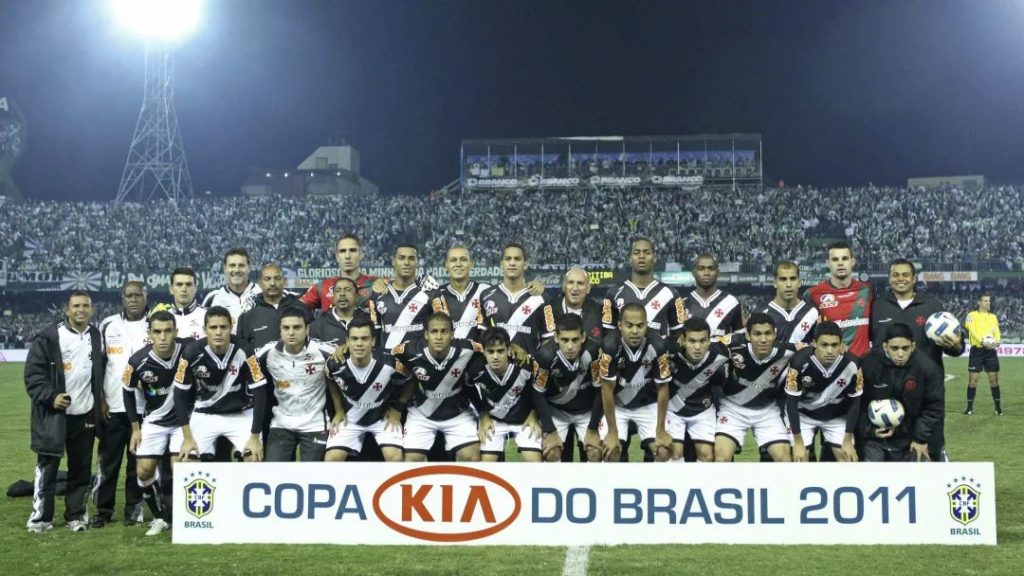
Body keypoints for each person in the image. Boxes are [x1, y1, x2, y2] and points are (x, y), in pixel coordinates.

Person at [24, 291, 104, 533]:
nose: (81, 310)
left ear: (91, 309)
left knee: (81, 470)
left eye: (86, 306)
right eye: (76, 306)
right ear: (66, 310)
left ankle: (75, 516)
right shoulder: (49, 337)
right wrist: (52, 397)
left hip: (85, 415)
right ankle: (40, 519)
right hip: (54, 417)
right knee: (47, 468)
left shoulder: (95, 335)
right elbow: (33, 376)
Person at [869, 258, 963, 460]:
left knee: (930, 448)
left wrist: (956, 346)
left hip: (925, 388)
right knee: (889, 449)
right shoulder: (878, 305)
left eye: (905, 275)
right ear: (889, 278)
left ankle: (939, 464)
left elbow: (955, 347)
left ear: (914, 279)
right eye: (895, 275)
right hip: (889, 389)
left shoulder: (932, 305)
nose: (900, 279)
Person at [174, 307, 267, 462]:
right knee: (187, 460)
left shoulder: (245, 350)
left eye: (223, 327)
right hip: (205, 412)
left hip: (241, 413)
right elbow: (179, 396)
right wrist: (187, 437)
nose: (218, 332)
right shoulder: (191, 353)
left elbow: (260, 394)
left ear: (231, 328)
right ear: (204, 329)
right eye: (213, 327)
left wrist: (255, 436)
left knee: (253, 458)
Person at [122, 310, 185, 536]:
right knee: (144, 471)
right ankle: (160, 517)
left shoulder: (188, 351)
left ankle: (186, 516)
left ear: (176, 332)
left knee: (182, 467)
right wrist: (135, 428)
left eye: (168, 331)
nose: (163, 337)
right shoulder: (137, 361)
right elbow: (127, 391)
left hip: (183, 422)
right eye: (157, 332)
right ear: (149, 334)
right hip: (155, 422)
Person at [94, 281, 149, 528]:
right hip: (114, 407)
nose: (134, 299)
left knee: (136, 464)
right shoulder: (108, 324)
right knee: (108, 462)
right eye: (129, 296)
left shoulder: (155, 323)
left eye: (138, 295)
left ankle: (134, 512)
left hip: (145, 409)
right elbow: (100, 366)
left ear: (145, 297)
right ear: (122, 298)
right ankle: (103, 512)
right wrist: (101, 399)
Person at [392, 312, 482, 462]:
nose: (439, 337)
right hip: (421, 414)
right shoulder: (409, 350)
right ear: (426, 334)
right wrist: (396, 407)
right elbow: (380, 357)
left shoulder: (468, 348)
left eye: (444, 332)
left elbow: (496, 348)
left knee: (472, 457)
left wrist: (514, 349)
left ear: (452, 334)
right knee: (410, 461)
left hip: (458, 414)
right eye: (434, 331)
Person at [257, 308, 337, 462]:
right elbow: (245, 366)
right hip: (281, 423)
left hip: (315, 425)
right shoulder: (267, 352)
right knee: (272, 473)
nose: (291, 332)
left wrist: (340, 411)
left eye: (297, 327)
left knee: (314, 476)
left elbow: (350, 359)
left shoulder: (323, 351)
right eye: (286, 328)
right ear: (280, 330)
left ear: (307, 329)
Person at [714, 312, 795, 463]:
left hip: (767, 411)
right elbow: (705, 346)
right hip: (733, 409)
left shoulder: (787, 351)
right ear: (748, 335)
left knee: (785, 460)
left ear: (775, 334)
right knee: (721, 459)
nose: (763, 339)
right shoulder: (733, 345)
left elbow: (815, 349)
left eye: (767, 334)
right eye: (757, 334)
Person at [598, 303, 673, 463]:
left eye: (640, 326)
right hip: (617, 406)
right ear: (619, 325)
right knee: (611, 453)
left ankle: (649, 483)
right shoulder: (609, 346)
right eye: (629, 325)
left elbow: (663, 388)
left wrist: (660, 430)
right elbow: (606, 390)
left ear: (646, 324)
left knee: (663, 452)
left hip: (648, 405)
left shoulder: (658, 345)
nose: (634, 331)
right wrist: (612, 432)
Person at [858, 323, 945, 462]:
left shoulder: (927, 368)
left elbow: (934, 406)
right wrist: (870, 431)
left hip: (913, 436)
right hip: (875, 438)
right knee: (872, 476)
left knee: (922, 474)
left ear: (913, 346)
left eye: (905, 348)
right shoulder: (868, 364)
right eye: (894, 348)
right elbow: (858, 404)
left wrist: (920, 438)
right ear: (885, 346)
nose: (900, 354)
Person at [325, 318, 404, 462]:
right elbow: (329, 379)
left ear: (373, 341)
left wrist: (397, 409)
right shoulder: (335, 364)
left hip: (382, 418)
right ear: (347, 341)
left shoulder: (389, 362)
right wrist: (339, 410)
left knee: (394, 457)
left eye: (364, 339)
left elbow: (411, 379)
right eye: (354, 339)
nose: (359, 344)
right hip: (350, 418)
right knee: (331, 459)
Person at [784, 322, 861, 463]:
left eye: (835, 345)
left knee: (848, 459)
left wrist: (848, 439)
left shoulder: (853, 364)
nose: (830, 351)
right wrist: (798, 442)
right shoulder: (798, 363)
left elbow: (855, 402)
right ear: (814, 344)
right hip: (803, 415)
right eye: (824, 345)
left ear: (841, 345)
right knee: (799, 460)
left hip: (835, 417)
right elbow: (791, 403)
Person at [531, 314, 604, 462]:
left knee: (595, 452)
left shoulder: (594, 352)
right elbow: (538, 394)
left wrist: (593, 428)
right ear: (556, 338)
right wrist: (550, 430)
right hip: (557, 412)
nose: (570, 346)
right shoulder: (545, 356)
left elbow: (600, 391)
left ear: (583, 337)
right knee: (551, 453)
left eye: (575, 340)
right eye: (565, 340)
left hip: (587, 412)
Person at [467, 327, 544, 462]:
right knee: (486, 464)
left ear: (509, 350)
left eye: (500, 351)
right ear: (483, 352)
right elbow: (468, 389)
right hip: (494, 421)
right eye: (490, 352)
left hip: (524, 421)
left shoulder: (525, 365)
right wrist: (483, 415)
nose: (495, 356)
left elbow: (538, 392)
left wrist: (534, 414)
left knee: (534, 462)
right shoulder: (475, 369)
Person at [665, 317, 727, 463]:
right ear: (683, 340)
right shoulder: (669, 348)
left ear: (709, 340)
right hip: (673, 410)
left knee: (707, 456)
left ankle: (700, 485)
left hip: (702, 410)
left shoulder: (721, 352)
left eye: (702, 341)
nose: (698, 347)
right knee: (675, 453)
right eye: (692, 341)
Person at [480, 243, 555, 358]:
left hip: (528, 370)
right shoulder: (486, 296)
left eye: (517, 259)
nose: (512, 263)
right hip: (496, 369)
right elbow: (481, 336)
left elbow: (548, 338)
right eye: (508, 259)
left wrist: (538, 362)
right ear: (501, 264)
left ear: (525, 264)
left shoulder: (541, 298)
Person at [602, 237, 685, 339]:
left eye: (647, 252)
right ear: (630, 258)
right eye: (636, 253)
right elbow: (608, 336)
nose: (641, 256)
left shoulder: (670, 293)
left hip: (658, 354)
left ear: (654, 257)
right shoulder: (613, 293)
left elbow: (679, 337)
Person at [806, 241, 874, 358]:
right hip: (831, 365)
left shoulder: (866, 291)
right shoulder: (813, 294)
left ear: (852, 261)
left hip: (863, 363)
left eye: (845, 258)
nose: (840, 263)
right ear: (828, 263)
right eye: (835, 259)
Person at [369, 244, 432, 352]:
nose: (406, 262)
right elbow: (373, 332)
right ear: (393, 261)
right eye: (401, 258)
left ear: (417, 262)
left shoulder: (428, 293)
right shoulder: (378, 293)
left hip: (419, 363)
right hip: (388, 363)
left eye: (411, 258)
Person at [236, 263, 310, 350]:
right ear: (260, 283)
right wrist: (256, 364)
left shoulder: (301, 308)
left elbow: (312, 345)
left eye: (277, 278)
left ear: (284, 281)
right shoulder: (247, 316)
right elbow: (242, 353)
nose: (272, 283)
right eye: (267, 279)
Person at [299, 233, 378, 312]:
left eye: (352, 250)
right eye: (342, 251)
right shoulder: (322, 287)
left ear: (361, 255)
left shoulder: (375, 284)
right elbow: (296, 308)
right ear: (337, 257)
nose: (347, 256)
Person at [430, 245, 490, 340]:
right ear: (446, 265)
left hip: (481, 353)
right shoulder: (436, 295)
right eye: (453, 260)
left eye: (463, 259)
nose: (458, 264)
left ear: (472, 264)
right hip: (447, 354)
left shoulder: (486, 291)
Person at [683, 252, 743, 337]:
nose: (706, 273)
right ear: (694, 273)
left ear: (718, 273)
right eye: (701, 268)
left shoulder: (732, 303)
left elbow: (740, 341)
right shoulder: (682, 304)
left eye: (711, 268)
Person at [201, 247, 261, 326]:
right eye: (232, 265)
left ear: (249, 268)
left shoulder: (261, 293)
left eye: (241, 265)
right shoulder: (213, 298)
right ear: (225, 268)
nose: (236, 270)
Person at [964, 293, 1002, 415]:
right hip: (977, 351)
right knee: (973, 380)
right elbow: (970, 329)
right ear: (979, 302)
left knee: (993, 380)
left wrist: (997, 342)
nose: (988, 303)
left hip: (990, 351)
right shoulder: (971, 315)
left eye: (989, 301)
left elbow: (997, 331)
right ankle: (969, 408)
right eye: (985, 301)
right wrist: (982, 341)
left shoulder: (993, 317)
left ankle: (998, 408)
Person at [763, 261, 818, 345]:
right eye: (783, 279)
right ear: (775, 283)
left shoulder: (813, 312)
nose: (788, 284)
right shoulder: (762, 313)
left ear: (799, 282)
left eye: (793, 279)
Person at [308, 277, 371, 346]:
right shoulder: (317, 325)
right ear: (333, 296)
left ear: (357, 296)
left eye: (348, 290)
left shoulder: (368, 320)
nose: (342, 294)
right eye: (337, 290)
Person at [549, 268, 603, 341]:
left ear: (588, 288)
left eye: (580, 283)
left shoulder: (600, 312)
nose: (575, 288)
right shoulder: (549, 310)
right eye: (570, 282)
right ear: (563, 287)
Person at [168, 267, 206, 340]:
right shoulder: (162, 318)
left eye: (188, 284)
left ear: (195, 289)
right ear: (171, 290)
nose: (184, 289)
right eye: (179, 284)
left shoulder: (207, 316)